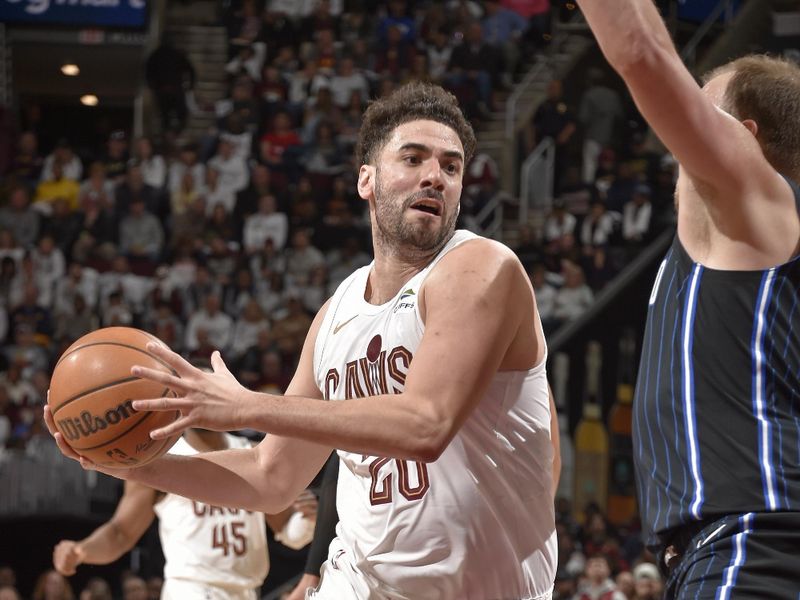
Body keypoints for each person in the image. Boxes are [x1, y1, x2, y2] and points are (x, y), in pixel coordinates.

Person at [46, 82, 560, 600]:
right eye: (413, 158)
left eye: (451, 167)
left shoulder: (480, 267)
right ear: (368, 179)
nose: (434, 176)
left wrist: (247, 408)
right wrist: (130, 461)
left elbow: (426, 424)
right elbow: (272, 478)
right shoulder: (336, 314)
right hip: (358, 583)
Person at [576, 0, 800, 598]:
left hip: (754, 540)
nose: (681, 118)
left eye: (704, 104)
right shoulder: (727, 246)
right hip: (724, 547)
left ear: (745, 141)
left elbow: (645, 55)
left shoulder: (759, 211)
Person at [52, 429, 312, 600]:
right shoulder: (161, 459)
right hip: (191, 590)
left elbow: (289, 532)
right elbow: (120, 533)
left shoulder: (251, 453)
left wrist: (308, 518)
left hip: (246, 591)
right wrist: (82, 550)